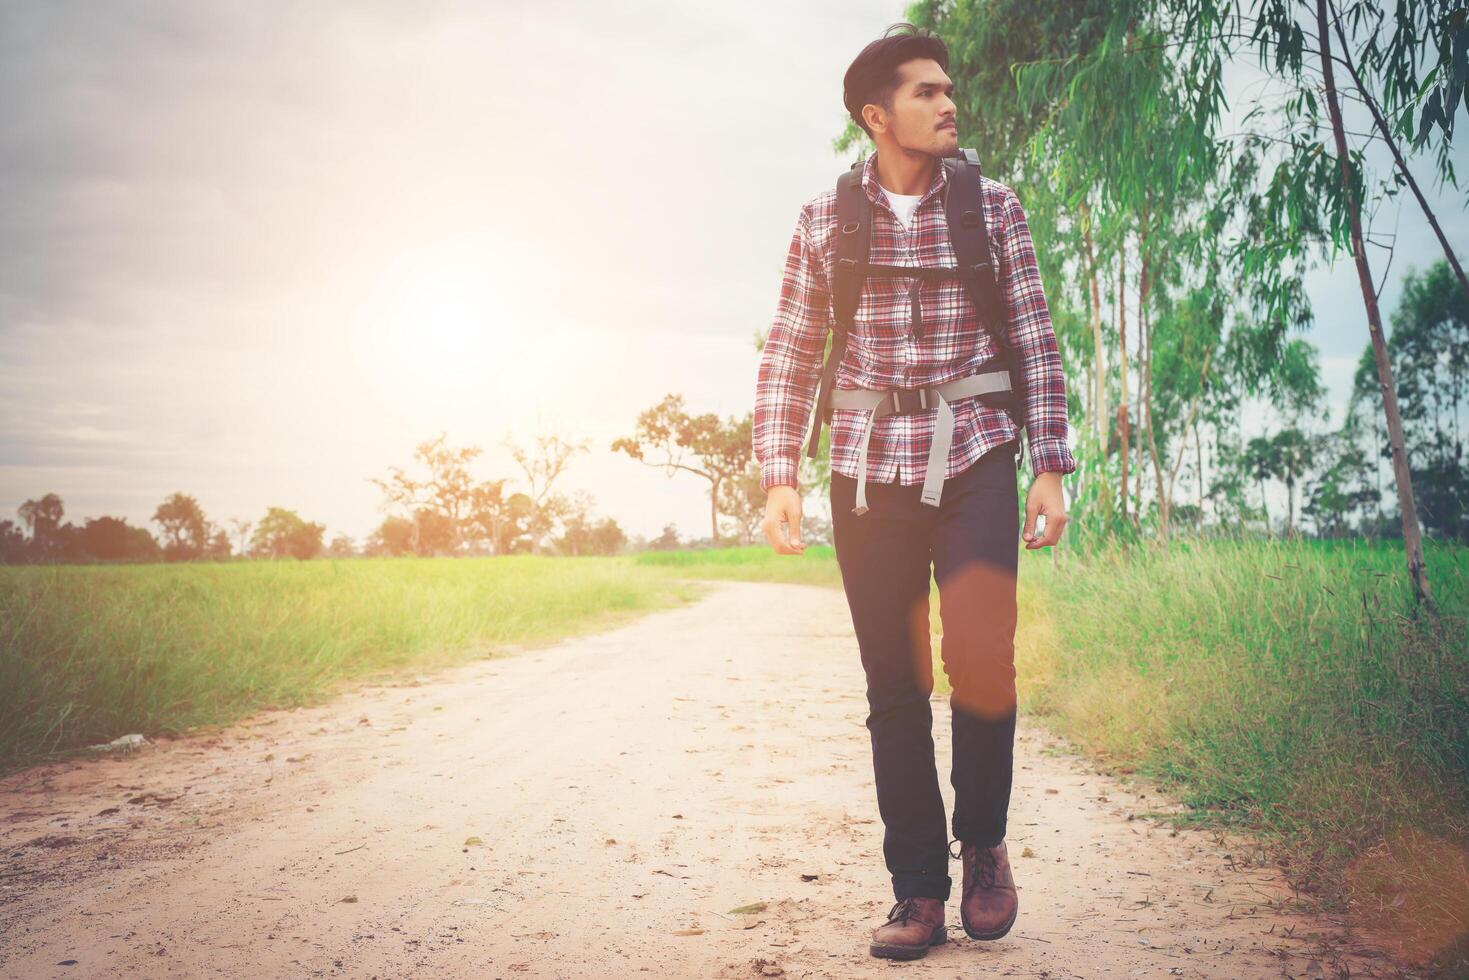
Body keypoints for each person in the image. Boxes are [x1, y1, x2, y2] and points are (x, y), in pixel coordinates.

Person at [751, 22, 1076, 962]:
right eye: (926, 91)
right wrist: (781, 470)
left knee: (981, 656)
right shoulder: (824, 221)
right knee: (895, 684)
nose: (948, 103)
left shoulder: (992, 208)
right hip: (863, 472)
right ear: (875, 115)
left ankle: (982, 848)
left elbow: (1032, 336)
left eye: (948, 88)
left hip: (975, 450)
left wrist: (1048, 460)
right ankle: (916, 891)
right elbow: (789, 348)